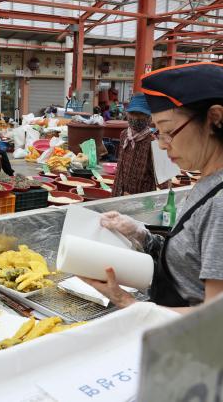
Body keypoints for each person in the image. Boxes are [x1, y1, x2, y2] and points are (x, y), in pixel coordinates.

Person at [82, 62, 223, 312]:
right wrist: (141, 234)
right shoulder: (206, 179)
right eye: (158, 132)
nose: (161, 144)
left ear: (214, 118)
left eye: (168, 131)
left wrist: (129, 304)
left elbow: (215, 319)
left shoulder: (220, 204)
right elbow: (191, 257)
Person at [112, 93, 156, 197]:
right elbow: (120, 166)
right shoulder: (124, 135)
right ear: (127, 114)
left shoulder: (153, 141)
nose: (136, 118)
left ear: (149, 117)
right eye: (133, 113)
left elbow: (162, 180)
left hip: (141, 199)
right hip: (118, 192)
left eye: (141, 114)